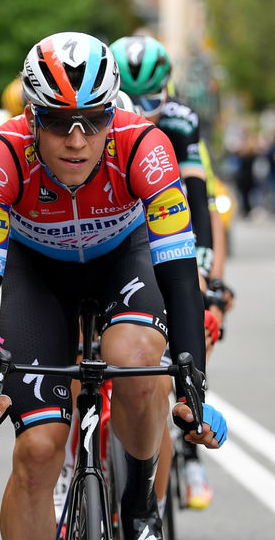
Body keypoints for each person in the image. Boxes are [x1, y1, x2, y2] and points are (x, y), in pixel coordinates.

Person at [0, 32, 227, 540]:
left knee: (138, 360)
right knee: (37, 451)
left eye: (94, 120)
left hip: (123, 260)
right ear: (32, 117)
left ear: (113, 115)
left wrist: (195, 390)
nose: (76, 140)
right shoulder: (2, 154)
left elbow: (180, 279)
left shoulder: (147, 145)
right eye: (58, 122)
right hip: (36, 272)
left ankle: (142, 497)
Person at [109, 33, 228, 510]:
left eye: (151, 99)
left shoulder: (180, 123)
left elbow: (199, 206)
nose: (141, 110)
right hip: (113, 232)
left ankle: (188, 437)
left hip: (167, 224)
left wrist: (207, 278)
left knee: (195, 307)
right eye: (130, 100)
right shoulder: (99, 123)